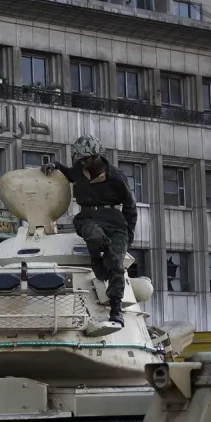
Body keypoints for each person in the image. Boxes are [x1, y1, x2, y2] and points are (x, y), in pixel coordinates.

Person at [42, 135, 137, 325]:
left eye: (86, 159)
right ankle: (96, 258)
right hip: (87, 218)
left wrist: (130, 234)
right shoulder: (79, 170)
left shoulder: (116, 177)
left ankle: (115, 306)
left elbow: (130, 206)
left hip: (115, 223)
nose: (83, 163)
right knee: (94, 236)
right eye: (80, 160)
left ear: (97, 156)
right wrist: (55, 165)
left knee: (116, 266)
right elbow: (68, 173)